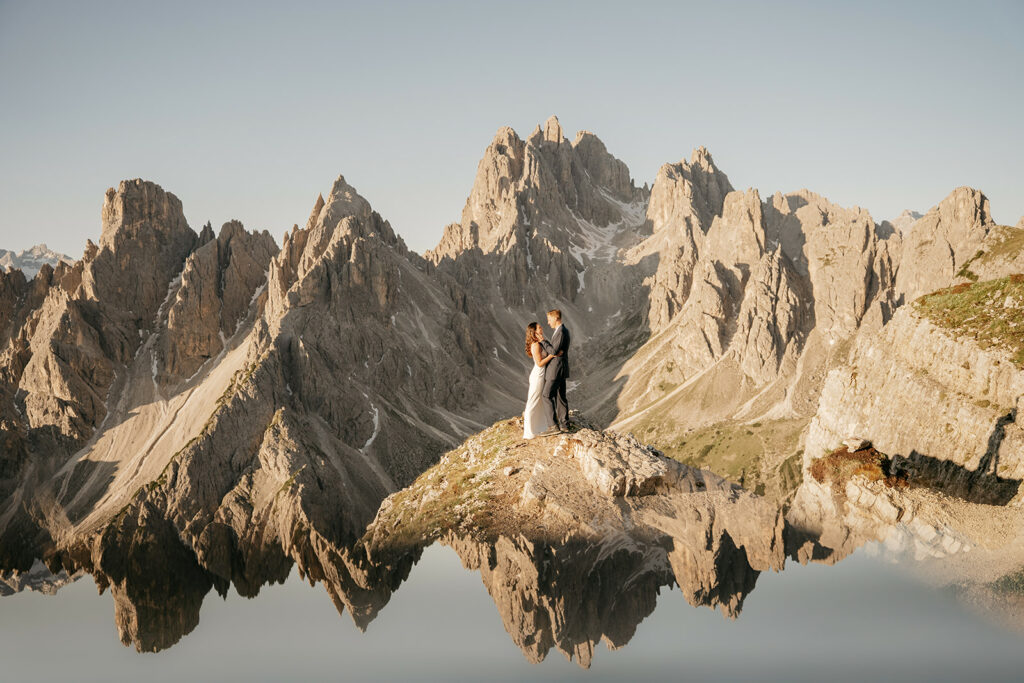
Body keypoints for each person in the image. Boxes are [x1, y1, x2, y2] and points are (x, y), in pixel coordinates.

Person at [522, 322, 558, 439]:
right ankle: (529, 431)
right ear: (535, 331)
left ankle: (540, 425)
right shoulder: (535, 345)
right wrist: (551, 356)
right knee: (533, 400)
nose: (542, 328)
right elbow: (539, 363)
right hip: (538, 375)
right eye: (539, 327)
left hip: (542, 375)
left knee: (540, 400)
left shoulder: (539, 342)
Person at [542, 309, 571, 434]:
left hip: (556, 369)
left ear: (556, 318)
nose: (548, 323)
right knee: (560, 396)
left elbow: (553, 351)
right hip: (560, 369)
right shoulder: (562, 331)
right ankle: (564, 424)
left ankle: (553, 426)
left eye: (549, 320)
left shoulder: (561, 332)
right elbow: (555, 351)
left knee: (546, 395)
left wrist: (543, 341)